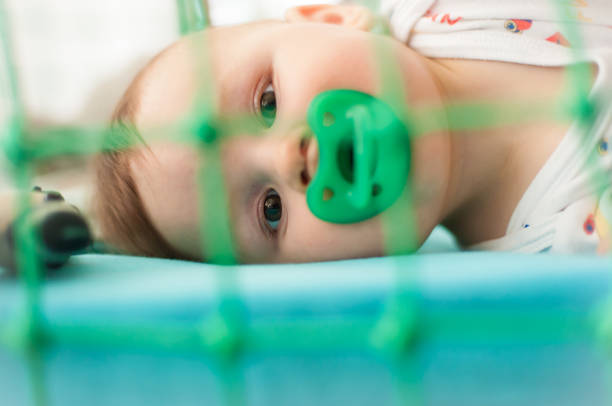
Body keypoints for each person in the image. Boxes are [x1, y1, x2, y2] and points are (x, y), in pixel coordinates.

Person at [93, 1, 612, 264]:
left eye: (267, 100)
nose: (287, 159)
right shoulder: (564, 249)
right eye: (270, 210)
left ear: (332, 17)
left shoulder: (439, 9)